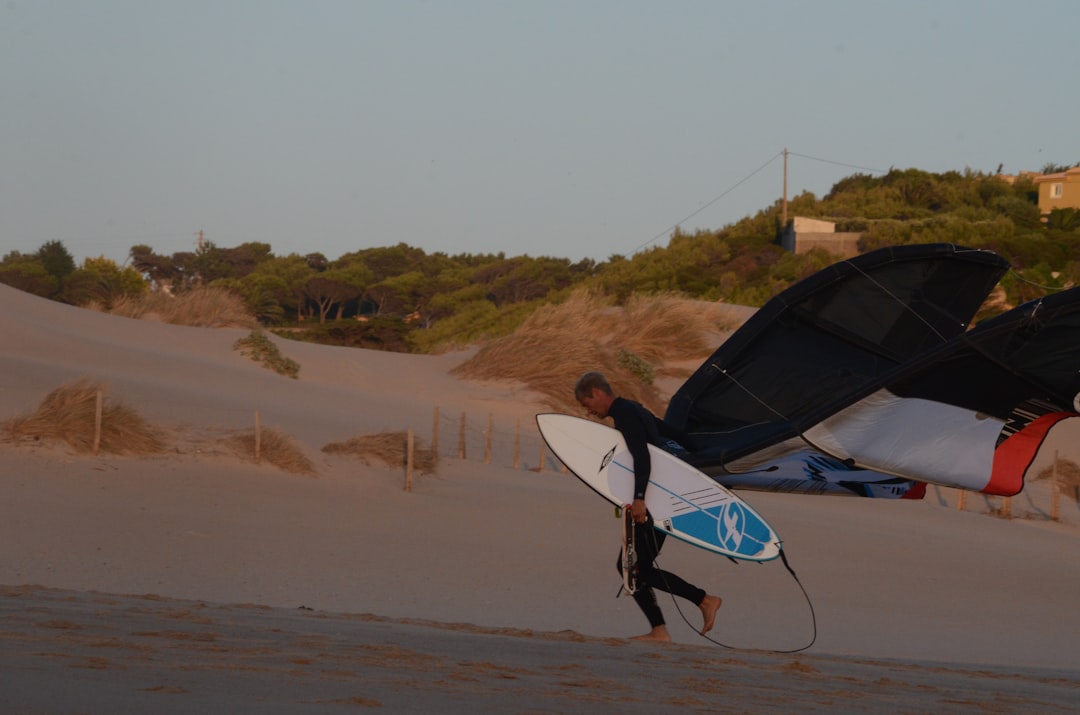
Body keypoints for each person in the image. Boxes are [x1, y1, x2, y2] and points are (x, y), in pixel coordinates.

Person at [573, 371, 722, 642]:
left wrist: (639, 497)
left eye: (587, 404)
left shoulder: (626, 414)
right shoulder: (633, 409)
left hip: (654, 502)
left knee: (635, 568)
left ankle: (701, 602)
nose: (589, 412)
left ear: (596, 392)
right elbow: (673, 433)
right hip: (661, 499)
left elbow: (642, 456)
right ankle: (662, 627)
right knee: (632, 566)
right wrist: (703, 457)